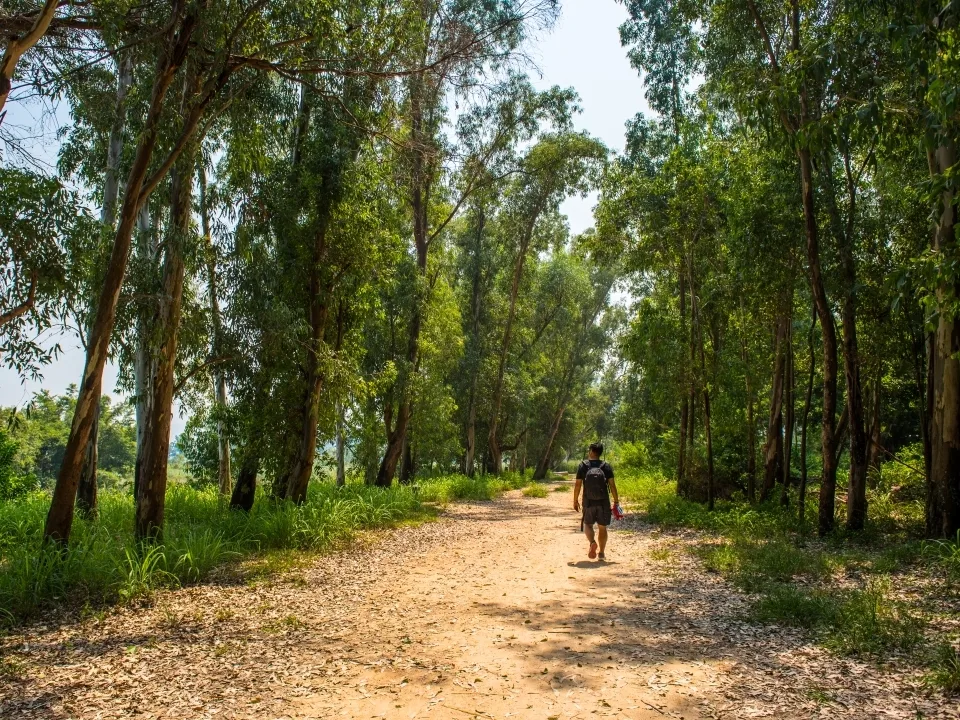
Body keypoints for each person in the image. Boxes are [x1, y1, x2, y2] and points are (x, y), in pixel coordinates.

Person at [573, 442, 619, 561]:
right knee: (602, 527)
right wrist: (616, 501)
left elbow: (578, 485)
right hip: (603, 501)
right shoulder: (606, 466)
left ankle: (592, 542)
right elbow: (612, 486)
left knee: (588, 524)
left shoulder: (583, 465)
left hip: (588, 501)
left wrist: (575, 500)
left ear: (592, 451)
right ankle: (602, 553)